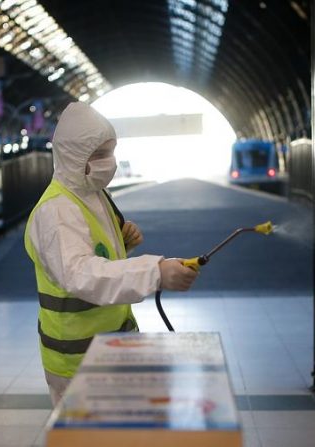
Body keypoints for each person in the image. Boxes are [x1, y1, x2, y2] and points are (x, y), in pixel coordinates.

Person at [24, 102, 199, 405]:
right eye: (100, 154)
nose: (111, 162)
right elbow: (80, 274)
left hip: (106, 348)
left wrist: (123, 243)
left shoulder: (93, 193)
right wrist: (155, 272)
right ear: (74, 156)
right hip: (77, 360)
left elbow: (91, 253)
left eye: (111, 151)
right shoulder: (56, 210)